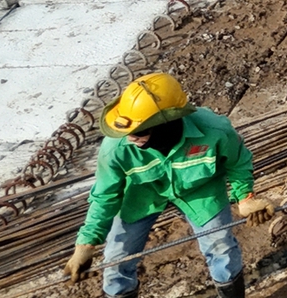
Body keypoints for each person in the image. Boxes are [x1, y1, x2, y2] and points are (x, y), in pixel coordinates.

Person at [65, 73, 274, 298]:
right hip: (141, 196)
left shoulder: (214, 131)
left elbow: (238, 162)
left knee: (220, 245)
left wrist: (245, 197)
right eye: (127, 132)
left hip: (200, 190)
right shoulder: (116, 148)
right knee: (116, 260)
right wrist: (86, 244)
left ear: (165, 125)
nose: (130, 137)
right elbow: (105, 196)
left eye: (139, 131)